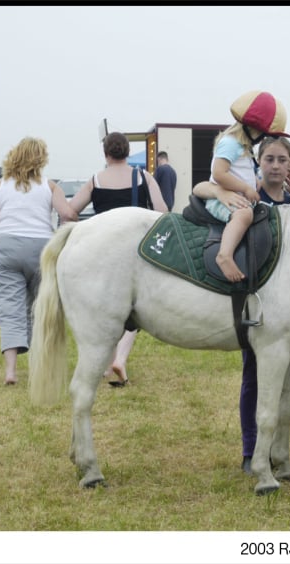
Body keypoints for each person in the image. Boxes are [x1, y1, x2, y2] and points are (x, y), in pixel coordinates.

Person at [194, 136, 290, 474]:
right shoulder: (248, 197)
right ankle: (250, 448)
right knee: (252, 377)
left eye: (282, 160)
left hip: (286, 306)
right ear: (259, 161)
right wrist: (221, 190)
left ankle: (277, 449)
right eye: (268, 158)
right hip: (253, 303)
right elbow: (202, 186)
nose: (275, 165)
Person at [69, 131, 168, 387]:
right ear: (126, 152)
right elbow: (162, 212)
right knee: (135, 308)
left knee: (107, 305)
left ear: (105, 154)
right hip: (135, 251)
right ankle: (120, 359)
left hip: (102, 250)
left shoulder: (95, 180)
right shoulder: (142, 176)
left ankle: (107, 361)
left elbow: (71, 211)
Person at [0, 137, 78, 385]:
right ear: (41, 159)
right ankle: (40, 368)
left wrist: (6, 230)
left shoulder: (0, 185)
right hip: (41, 249)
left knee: (9, 307)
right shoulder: (49, 186)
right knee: (40, 308)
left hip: (7, 247)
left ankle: (11, 372)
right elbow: (67, 214)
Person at [204, 90, 290, 282]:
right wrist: (246, 189)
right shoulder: (230, 143)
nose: (262, 139)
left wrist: (255, 183)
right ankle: (224, 255)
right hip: (225, 200)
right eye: (263, 134)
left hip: (236, 198)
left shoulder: (243, 148)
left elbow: (239, 172)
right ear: (253, 129)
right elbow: (219, 173)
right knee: (244, 215)